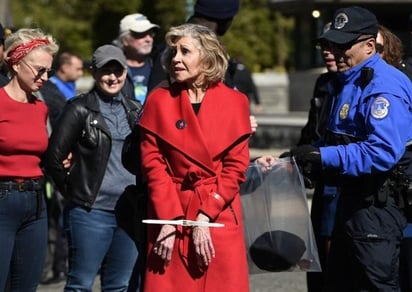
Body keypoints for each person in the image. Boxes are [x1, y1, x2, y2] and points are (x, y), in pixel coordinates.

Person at [289, 6, 412, 291]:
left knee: (373, 284)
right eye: (331, 43)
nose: (336, 51)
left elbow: (381, 152)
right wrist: (304, 158)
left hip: (377, 209)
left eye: (344, 45)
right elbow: (339, 141)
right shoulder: (348, 81)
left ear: (370, 46)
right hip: (351, 204)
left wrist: (324, 156)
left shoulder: (384, 86)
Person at [139, 23, 252, 292]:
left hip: (219, 212)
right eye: (173, 51)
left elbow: (236, 167)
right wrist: (170, 219)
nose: (175, 58)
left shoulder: (236, 102)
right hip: (169, 213)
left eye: (185, 51)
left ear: (207, 57)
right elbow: (152, 166)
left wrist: (205, 216)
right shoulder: (158, 100)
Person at [45, 44, 141, 291]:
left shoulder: (135, 110)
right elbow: (53, 158)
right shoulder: (79, 108)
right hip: (90, 212)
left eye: (117, 71)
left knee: (119, 285)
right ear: (94, 73)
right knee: (80, 284)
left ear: (125, 73)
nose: (112, 77)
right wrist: (75, 192)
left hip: (128, 212)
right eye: (105, 71)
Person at [0, 27, 59, 292]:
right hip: (3, 199)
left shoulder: (41, 108)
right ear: (16, 62)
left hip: (36, 203)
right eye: (39, 69)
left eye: (49, 70)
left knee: (26, 286)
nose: (45, 77)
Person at [117, 13, 159, 104]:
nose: (148, 39)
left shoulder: (161, 65)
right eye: (141, 34)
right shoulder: (112, 69)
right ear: (125, 40)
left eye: (151, 34)